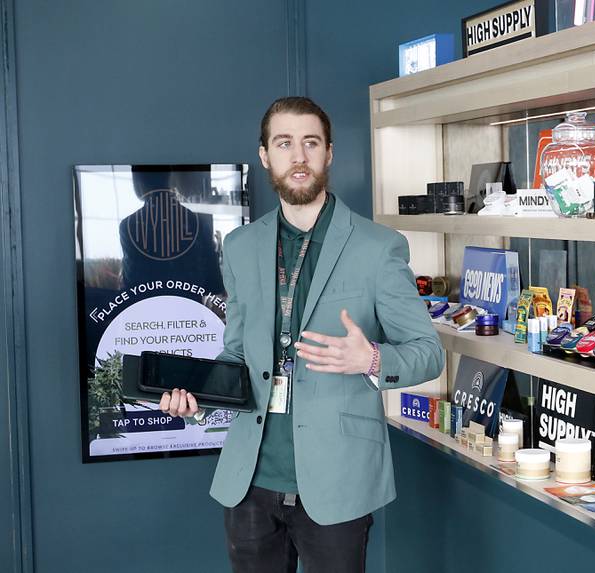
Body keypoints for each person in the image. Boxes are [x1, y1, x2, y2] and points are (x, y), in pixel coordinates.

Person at [160, 96, 444, 573]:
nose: (299, 156)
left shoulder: (378, 248)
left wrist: (371, 359)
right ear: (265, 155)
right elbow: (237, 353)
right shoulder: (241, 246)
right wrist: (197, 398)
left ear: (329, 153)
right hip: (250, 480)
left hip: (338, 480)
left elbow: (428, 353)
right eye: (285, 143)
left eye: (310, 143)